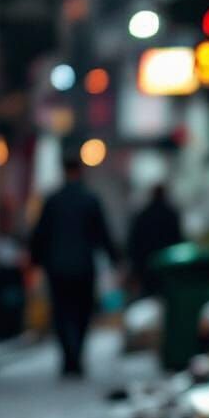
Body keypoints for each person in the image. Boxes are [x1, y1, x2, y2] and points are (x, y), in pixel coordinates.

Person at [30, 151, 119, 376]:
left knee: (62, 312)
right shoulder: (89, 199)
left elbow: (40, 234)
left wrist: (36, 259)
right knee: (82, 312)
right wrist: (115, 258)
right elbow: (102, 233)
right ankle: (76, 354)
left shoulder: (52, 201)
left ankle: (69, 356)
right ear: (80, 171)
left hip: (57, 267)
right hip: (83, 267)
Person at [126, 182, 183, 296]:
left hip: (147, 266)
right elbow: (178, 239)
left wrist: (135, 267)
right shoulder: (171, 214)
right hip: (168, 265)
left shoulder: (143, 215)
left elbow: (134, 243)